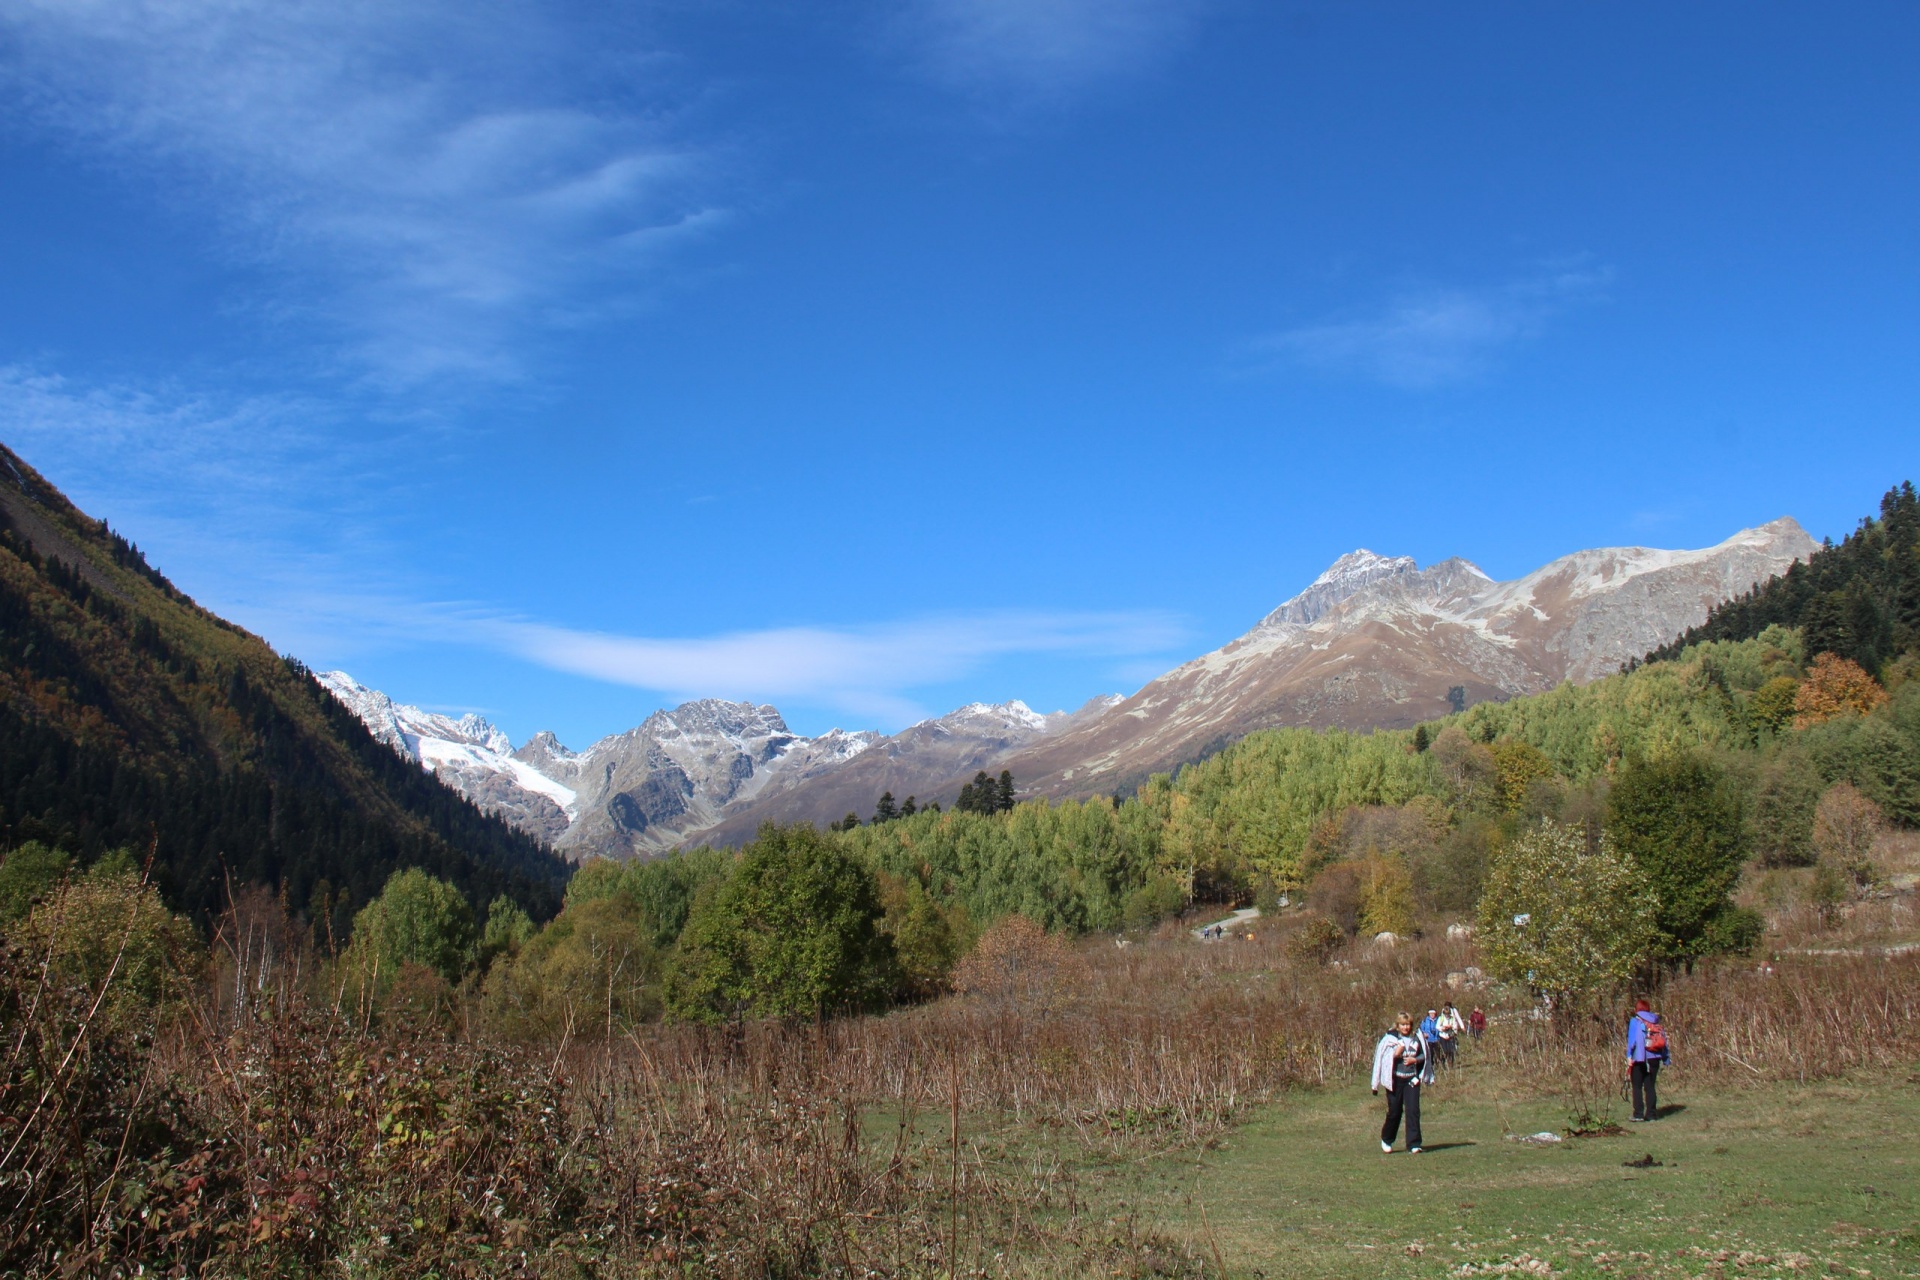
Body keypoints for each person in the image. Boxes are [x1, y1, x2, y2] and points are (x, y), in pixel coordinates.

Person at [1370, 1010, 1431, 1153]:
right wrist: (1395, 1054)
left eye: (1408, 1025)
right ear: (1398, 1025)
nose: (1406, 1028)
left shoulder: (1417, 1038)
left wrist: (1414, 1060)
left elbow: (1424, 1056)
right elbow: (1381, 1059)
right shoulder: (1390, 1039)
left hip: (1412, 1080)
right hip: (1395, 1081)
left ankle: (1414, 1144)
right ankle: (1387, 1139)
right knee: (1395, 1111)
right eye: (1403, 1025)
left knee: (1413, 1111)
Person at [1626, 998, 1670, 1121]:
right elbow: (1664, 1041)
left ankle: (1638, 1114)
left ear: (1637, 1009)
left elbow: (1632, 1041)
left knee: (1637, 1085)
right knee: (1650, 1086)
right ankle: (1651, 1114)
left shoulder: (1635, 1021)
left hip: (1640, 1058)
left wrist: (1629, 1056)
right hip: (1655, 1058)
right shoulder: (1655, 1021)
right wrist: (1666, 1058)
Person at [1436, 1002, 1465, 1066]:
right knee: (1444, 1050)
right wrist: (1442, 1028)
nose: (1447, 1015)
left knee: (1451, 1050)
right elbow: (1437, 1026)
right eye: (1446, 1014)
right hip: (1443, 1035)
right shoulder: (1441, 1018)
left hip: (1450, 1035)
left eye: (1448, 1014)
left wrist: (1451, 1027)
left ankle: (1451, 1063)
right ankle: (1443, 1063)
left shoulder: (1452, 1017)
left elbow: (1456, 1024)